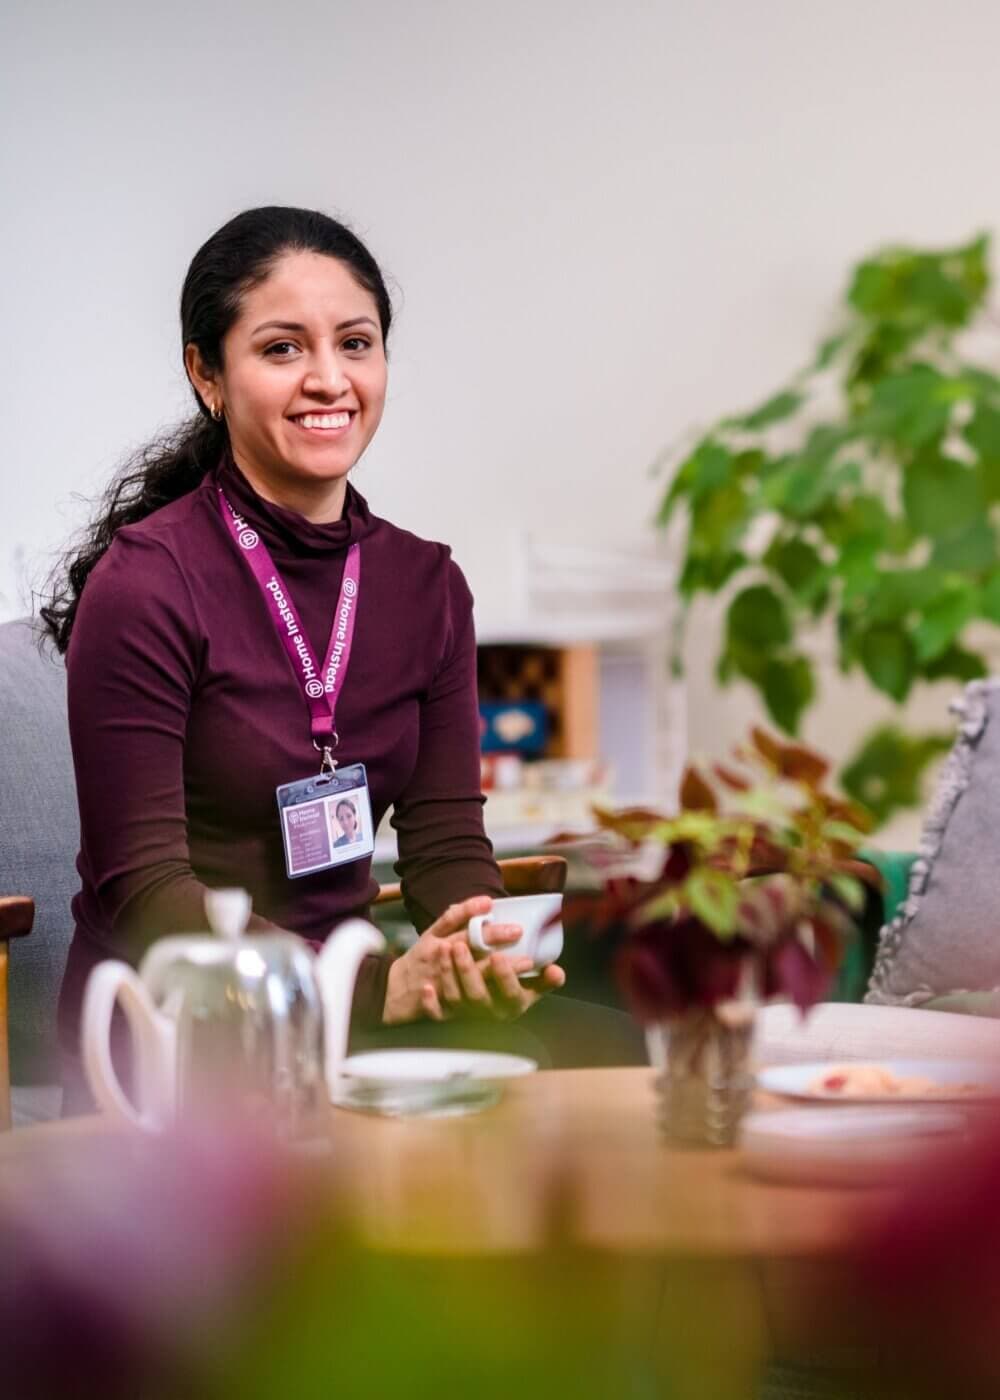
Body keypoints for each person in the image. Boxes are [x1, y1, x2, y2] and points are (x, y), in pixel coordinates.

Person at [43, 207, 644, 1108]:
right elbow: (145, 891)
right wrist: (376, 986)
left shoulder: (426, 584)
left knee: (611, 1050)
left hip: (367, 1011)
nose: (330, 380)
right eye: (282, 349)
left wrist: (474, 951)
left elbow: (445, 844)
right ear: (206, 373)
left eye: (355, 344)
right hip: (190, 1027)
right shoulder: (147, 585)